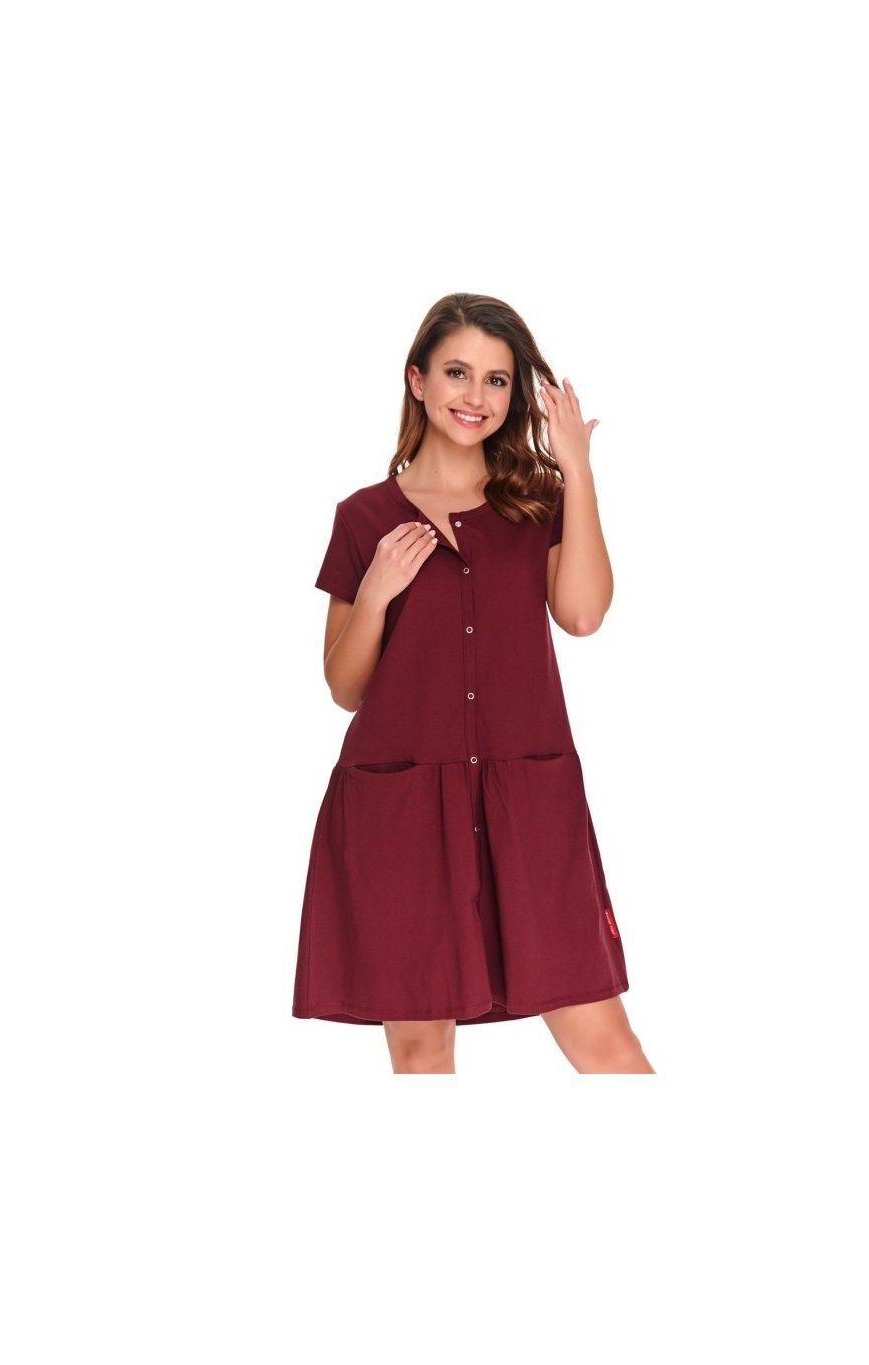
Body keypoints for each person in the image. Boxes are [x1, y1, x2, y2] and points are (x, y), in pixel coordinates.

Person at [291, 292, 655, 1075]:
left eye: (497, 379)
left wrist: (578, 469)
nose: (476, 396)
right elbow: (345, 687)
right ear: (417, 379)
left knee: (605, 1040)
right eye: (457, 372)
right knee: (422, 1048)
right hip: (401, 814)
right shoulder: (363, 518)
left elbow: (583, 613)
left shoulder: (539, 502)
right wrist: (378, 591)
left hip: (530, 808)